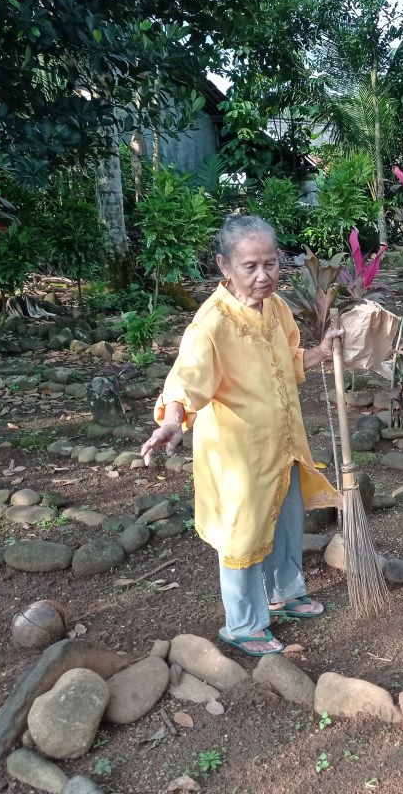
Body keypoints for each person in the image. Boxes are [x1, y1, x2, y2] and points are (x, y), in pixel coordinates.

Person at [140, 214, 342, 656]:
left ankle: (284, 593)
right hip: (238, 455)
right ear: (225, 267)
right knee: (243, 533)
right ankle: (243, 624)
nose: (263, 276)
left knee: (286, 519)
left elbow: (289, 361)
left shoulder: (278, 308)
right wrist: (172, 421)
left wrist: (321, 353)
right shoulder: (211, 322)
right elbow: (186, 379)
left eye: (270, 264)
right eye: (249, 266)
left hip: (283, 442)